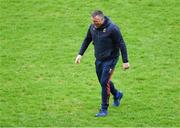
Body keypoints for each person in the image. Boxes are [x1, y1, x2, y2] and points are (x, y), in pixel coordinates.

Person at [75, 10, 130, 117]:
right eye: (93, 21)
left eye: (96, 21)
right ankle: (117, 94)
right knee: (103, 81)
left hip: (111, 59)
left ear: (102, 19)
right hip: (99, 59)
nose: (94, 23)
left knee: (104, 82)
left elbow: (121, 44)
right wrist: (80, 54)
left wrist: (125, 61)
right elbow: (87, 40)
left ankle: (104, 109)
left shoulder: (112, 28)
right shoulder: (92, 27)